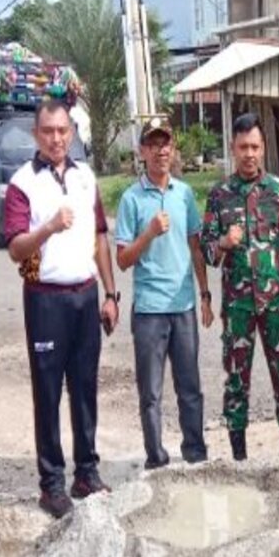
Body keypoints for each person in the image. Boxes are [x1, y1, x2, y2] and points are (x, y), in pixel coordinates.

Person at [2, 100, 119, 518]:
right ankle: (51, 484)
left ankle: (86, 472)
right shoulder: (21, 184)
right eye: (48, 131)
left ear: (72, 133)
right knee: (48, 392)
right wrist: (49, 226)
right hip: (45, 298)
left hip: (86, 295)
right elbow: (16, 248)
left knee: (85, 387)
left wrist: (110, 293)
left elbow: (101, 237)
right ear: (36, 135)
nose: (56, 138)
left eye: (63, 131)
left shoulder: (85, 176)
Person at [202, 112, 279, 466]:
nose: (249, 154)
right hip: (238, 308)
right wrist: (225, 244)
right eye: (243, 147)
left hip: (274, 303)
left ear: (263, 149)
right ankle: (239, 458)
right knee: (236, 381)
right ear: (233, 148)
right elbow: (206, 252)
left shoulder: (278, 191)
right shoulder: (219, 195)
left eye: (255, 147)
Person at [115, 116, 214, 469]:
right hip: (149, 310)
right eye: (153, 144)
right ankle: (156, 459)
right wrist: (149, 233)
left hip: (184, 304)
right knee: (151, 394)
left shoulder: (184, 193)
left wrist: (204, 294)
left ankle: (196, 455)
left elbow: (196, 246)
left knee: (190, 388)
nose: (161, 150)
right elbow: (123, 259)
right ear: (142, 151)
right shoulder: (131, 199)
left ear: (173, 150)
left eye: (166, 144)